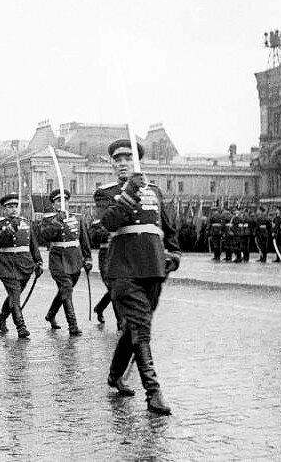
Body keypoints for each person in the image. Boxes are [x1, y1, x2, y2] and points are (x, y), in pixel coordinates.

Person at [94, 139, 181, 415]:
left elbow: (167, 226)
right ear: (112, 165)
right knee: (141, 327)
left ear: (137, 162)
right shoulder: (106, 193)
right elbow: (109, 222)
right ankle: (153, 393)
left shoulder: (154, 191)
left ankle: (115, 374)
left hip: (153, 268)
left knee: (134, 327)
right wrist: (130, 188)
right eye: (117, 160)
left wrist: (175, 253)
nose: (122, 164)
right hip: (123, 269)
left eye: (127, 159)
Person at [38, 189, 92, 335]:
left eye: (65, 201)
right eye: (58, 201)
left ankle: (51, 314)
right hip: (58, 260)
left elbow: (84, 240)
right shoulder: (48, 219)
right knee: (66, 288)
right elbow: (45, 236)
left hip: (75, 259)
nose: (63, 204)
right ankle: (73, 325)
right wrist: (57, 222)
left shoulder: (77, 218)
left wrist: (88, 258)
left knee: (65, 291)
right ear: (53, 204)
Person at [0, 193, 41, 338]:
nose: (13, 209)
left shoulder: (25, 222)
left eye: (15, 206)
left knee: (14, 295)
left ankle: (2, 317)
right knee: (15, 294)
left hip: (25, 264)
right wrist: (9, 230)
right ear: (4, 209)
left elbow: (33, 244)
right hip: (6, 264)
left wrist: (38, 261)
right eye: (10, 207)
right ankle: (21, 327)